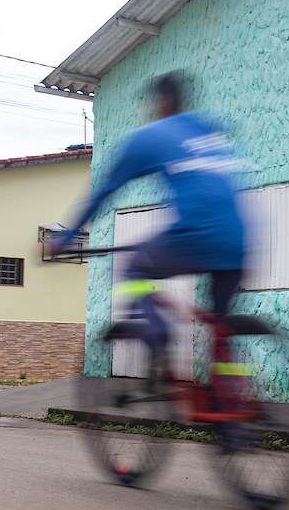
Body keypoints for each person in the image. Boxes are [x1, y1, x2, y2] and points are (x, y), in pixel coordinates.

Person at [52, 71, 248, 383]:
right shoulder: (208, 130)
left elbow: (105, 189)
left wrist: (68, 234)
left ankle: (157, 330)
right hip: (239, 242)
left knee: (134, 266)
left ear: (164, 101)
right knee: (220, 327)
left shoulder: (152, 135)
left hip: (195, 234)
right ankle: (230, 401)